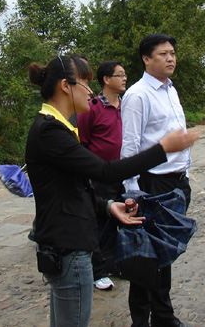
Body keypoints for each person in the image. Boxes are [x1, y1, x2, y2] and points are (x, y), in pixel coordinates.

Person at [25, 55, 199, 327]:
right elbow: (105, 172)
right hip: (68, 244)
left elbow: (71, 188)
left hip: (68, 241)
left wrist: (107, 206)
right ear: (65, 86)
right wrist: (163, 148)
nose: (89, 91)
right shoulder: (50, 131)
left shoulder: (57, 127)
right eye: (84, 83)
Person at [120, 33, 193, 327]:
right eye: (163, 54)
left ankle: (163, 316)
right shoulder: (138, 95)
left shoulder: (170, 90)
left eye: (172, 53)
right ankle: (141, 320)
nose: (170, 58)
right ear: (146, 59)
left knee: (165, 254)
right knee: (146, 257)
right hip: (153, 185)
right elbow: (130, 146)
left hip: (177, 182)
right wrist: (133, 191)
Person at [77, 60, 127, 291]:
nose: (124, 79)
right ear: (106, 79)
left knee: (120, 219)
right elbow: (82, 142)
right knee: (100, 224)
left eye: (125, 74)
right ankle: (98, 271)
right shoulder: (92, 108)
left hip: (123, 173)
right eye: (120, 75)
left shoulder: (127, 106)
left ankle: (114, 263)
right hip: (99, 175)